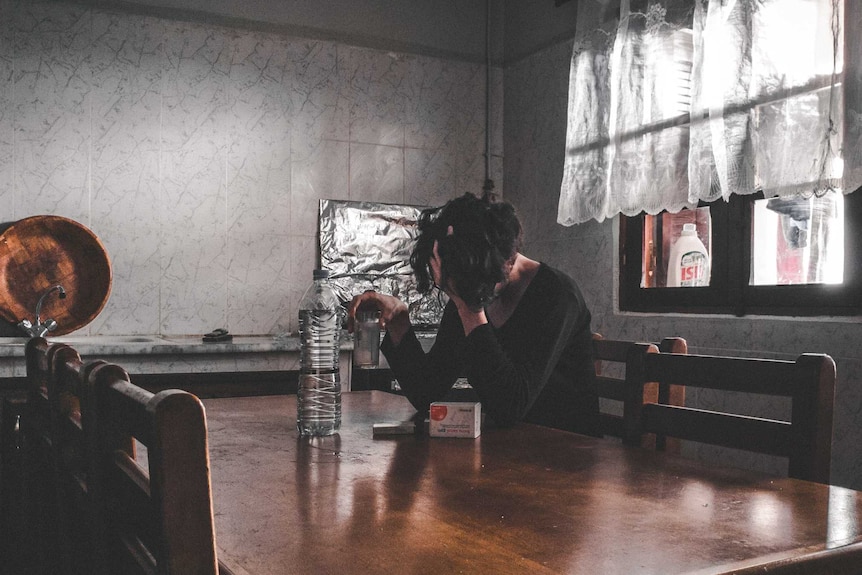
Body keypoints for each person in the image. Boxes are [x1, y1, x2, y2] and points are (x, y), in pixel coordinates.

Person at [347, 192, 598, 435]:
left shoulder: (557, 295)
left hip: (565, 453)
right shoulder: (469, 288)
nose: (461, 293)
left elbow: (510, 407)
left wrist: (469, 308)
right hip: (506, 452)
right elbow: (427, 391)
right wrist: (399, 322)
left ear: (507, 260)